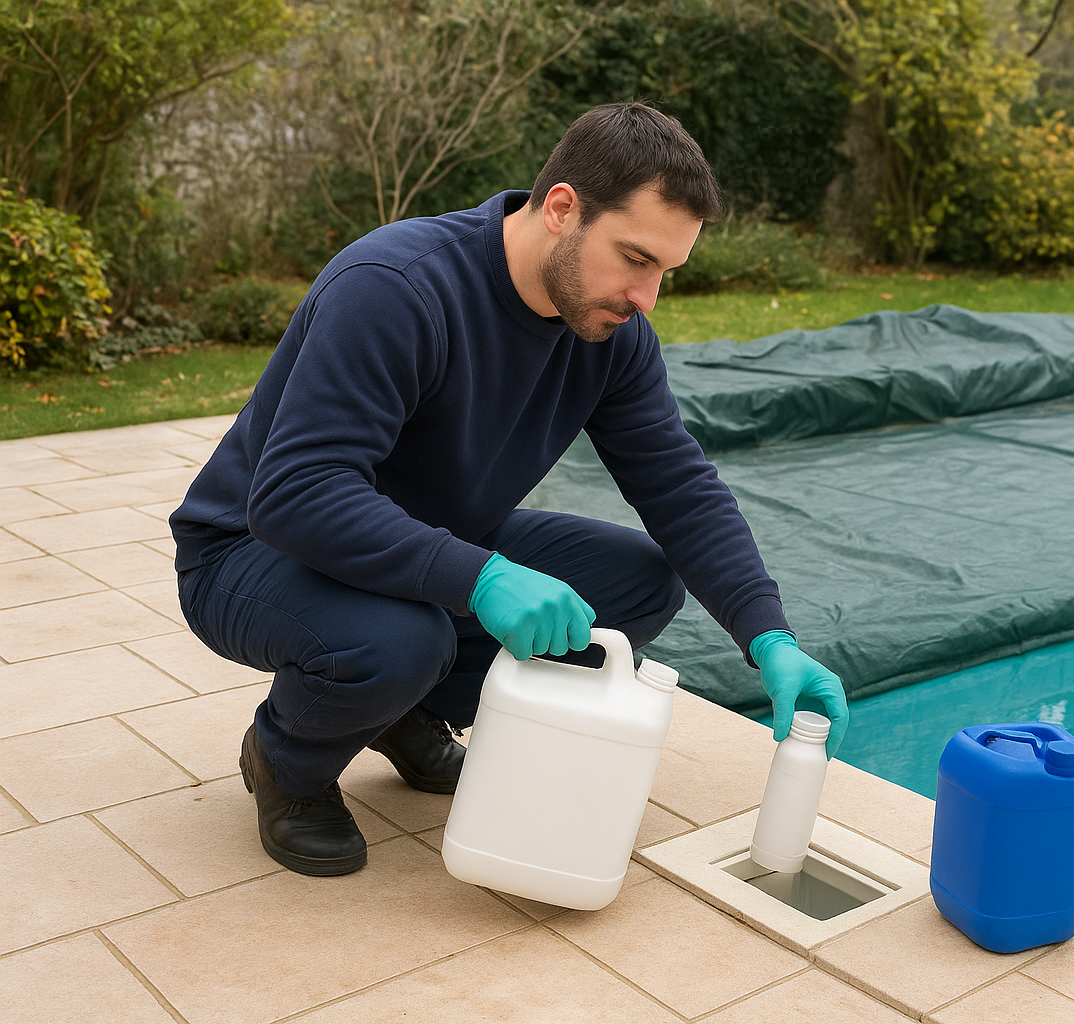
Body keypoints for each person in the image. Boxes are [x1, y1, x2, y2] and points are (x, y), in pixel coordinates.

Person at [170, 102, 849, 877]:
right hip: (250, 552)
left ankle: (404, 712)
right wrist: (482, 575)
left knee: (638, 584)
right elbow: (296, 493)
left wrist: (770, 638)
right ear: (562, 208)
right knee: (402, 640)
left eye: (665, 270)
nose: (646, 296)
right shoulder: (396, 287)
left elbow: (679, 487)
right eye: (634, 257)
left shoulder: (611, 336)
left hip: (418, 539)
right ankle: (286, 760)